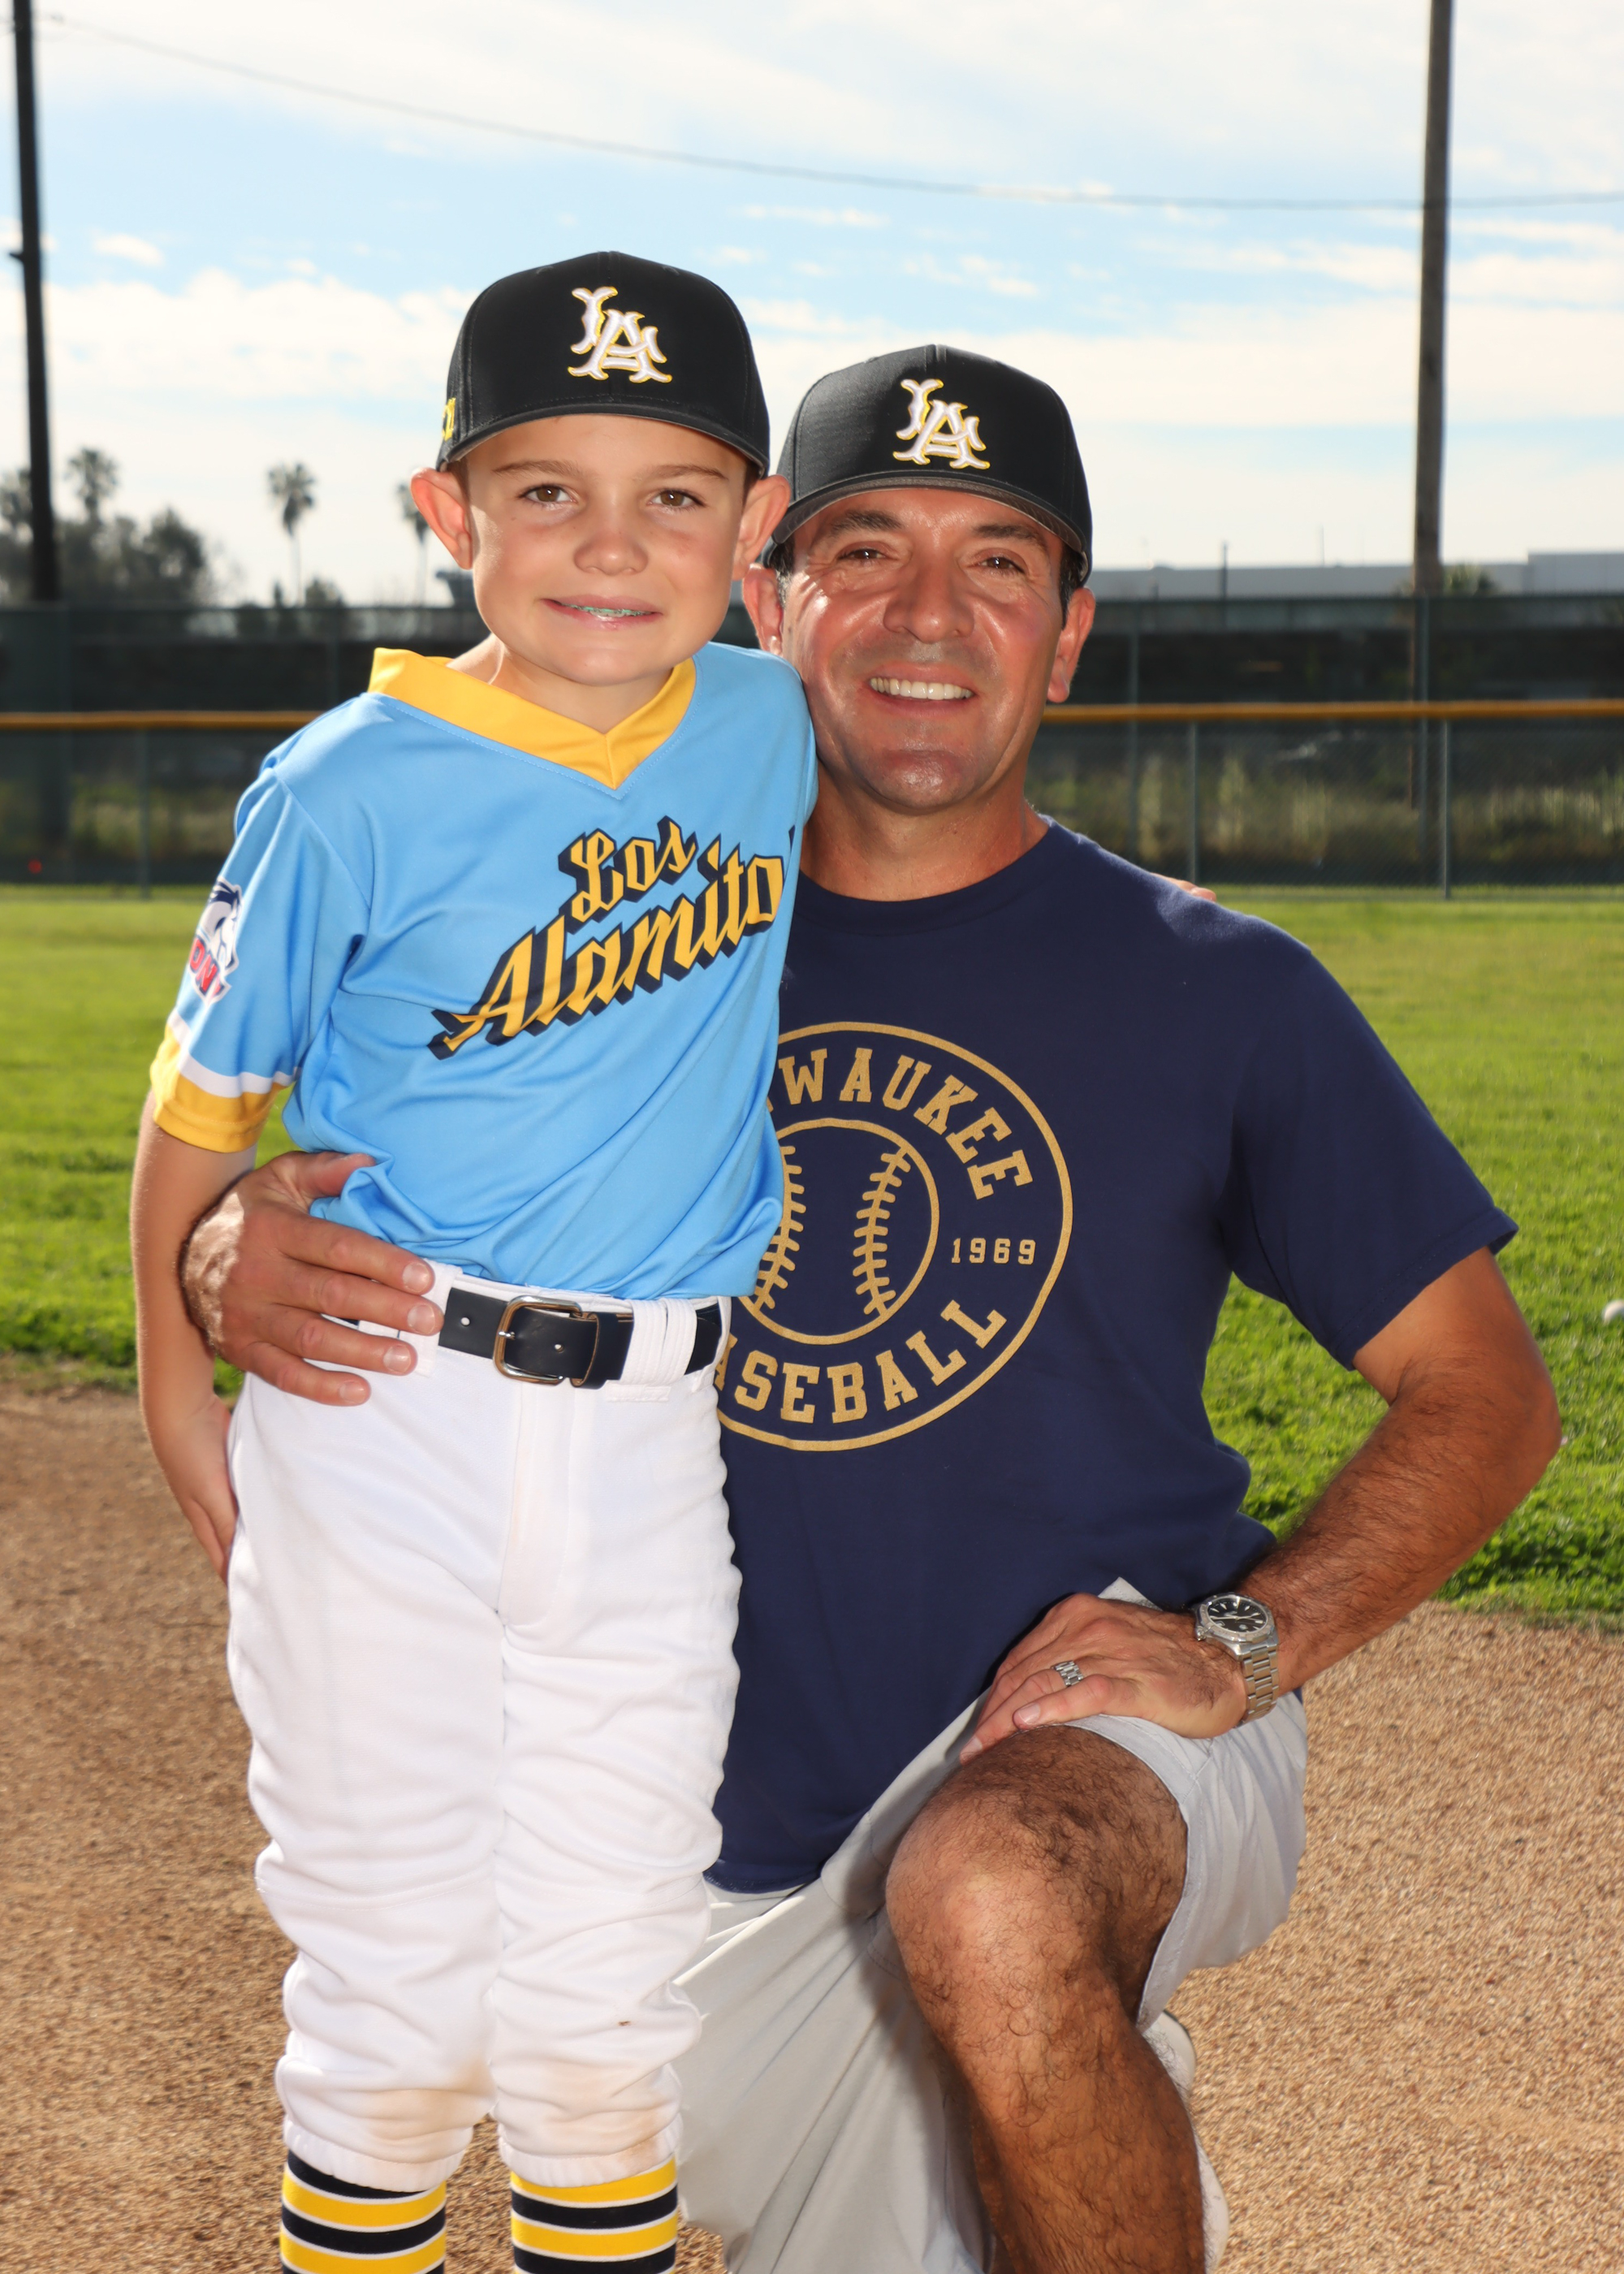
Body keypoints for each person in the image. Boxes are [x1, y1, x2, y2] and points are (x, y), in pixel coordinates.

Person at [179, 344, 1559, 2274]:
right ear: (770, 600)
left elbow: (1484, 1391)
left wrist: (1244, 1641)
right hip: (677, 1851)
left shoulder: (1218, 989)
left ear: (1067, 635)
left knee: (990, 1889)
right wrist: (226, 1247)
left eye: (998, 562)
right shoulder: (606, 929)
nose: (927, 614)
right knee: (469, 2038)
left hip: (1070, 1743)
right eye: (864, 550)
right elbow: (298, 1152)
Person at [131, 252, 815, 2274]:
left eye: (675, 495)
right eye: (544, 491)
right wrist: (176, 1378)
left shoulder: (769, 721)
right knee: (397, 1991)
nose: (611, 546)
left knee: (610, 2003)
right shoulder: (346, 780)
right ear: (447, 511)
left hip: (652, 1440)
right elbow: (202, 1110)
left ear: (755, 527)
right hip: (381, 1406)